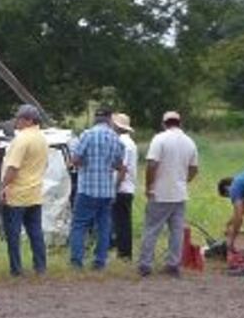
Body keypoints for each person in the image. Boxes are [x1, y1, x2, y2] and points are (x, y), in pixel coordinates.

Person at [137, 111, 199, 277]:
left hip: (160, 192)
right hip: (180, 194)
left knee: (152, 229)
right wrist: (184, 181)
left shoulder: (160, 139)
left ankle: (145, 265)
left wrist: (149, 186)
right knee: (177, 232)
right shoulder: (189, 142)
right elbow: (194, 168)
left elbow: (151, 164)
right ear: (180, 123)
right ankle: (173, 264)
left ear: (164, 123)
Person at [68, 107, 124, 271]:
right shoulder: (115, 138)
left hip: (87, 189)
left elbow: (75, 159)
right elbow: (118, 165)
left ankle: (77, 262)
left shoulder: (87, 135)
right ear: (109, 119)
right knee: (104, 227)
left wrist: (80, 163)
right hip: (106, 190)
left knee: (79, 225)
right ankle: (100, 261)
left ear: (95, 119)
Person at [0, 104, 48, 276]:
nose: (17, 122)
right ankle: (40, 266)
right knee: (35, 232)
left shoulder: (21, 139)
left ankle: (16, 268)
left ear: (28, 120)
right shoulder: (42, 138)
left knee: (13, 234)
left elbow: (13, 167)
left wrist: (3, 186)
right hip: (35, 192)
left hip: (17, 193)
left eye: (19, 118)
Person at [111, 113, 138, 262]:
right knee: (123, 222)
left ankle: (124, 254)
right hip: (128, 187)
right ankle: (124, 253)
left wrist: (114, 188)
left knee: (121, 223)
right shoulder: (130, 142)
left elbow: (122, 168)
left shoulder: (122, 143)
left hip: (122, 188)